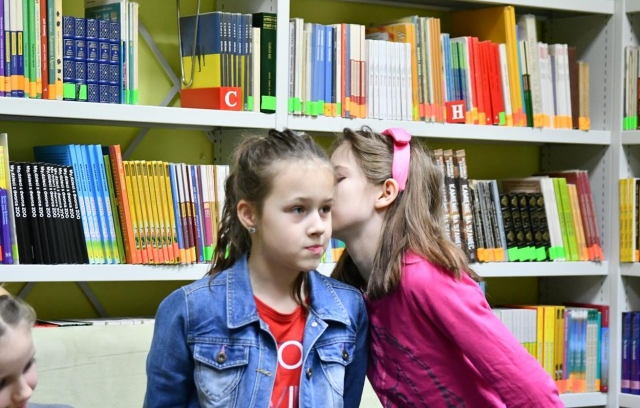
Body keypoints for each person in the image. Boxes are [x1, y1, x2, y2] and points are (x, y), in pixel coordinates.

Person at [329, 127, 564, 407]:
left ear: (385, 193)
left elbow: (528, 386)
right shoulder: (350, 290)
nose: (321, 189)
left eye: (337, 178)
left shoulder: (425, 278)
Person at [144, 129, 369, 408]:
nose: (318, 227)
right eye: (298, 209)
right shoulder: (189, 310)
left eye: (325, 209)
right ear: (250, 214)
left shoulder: (349, 309)